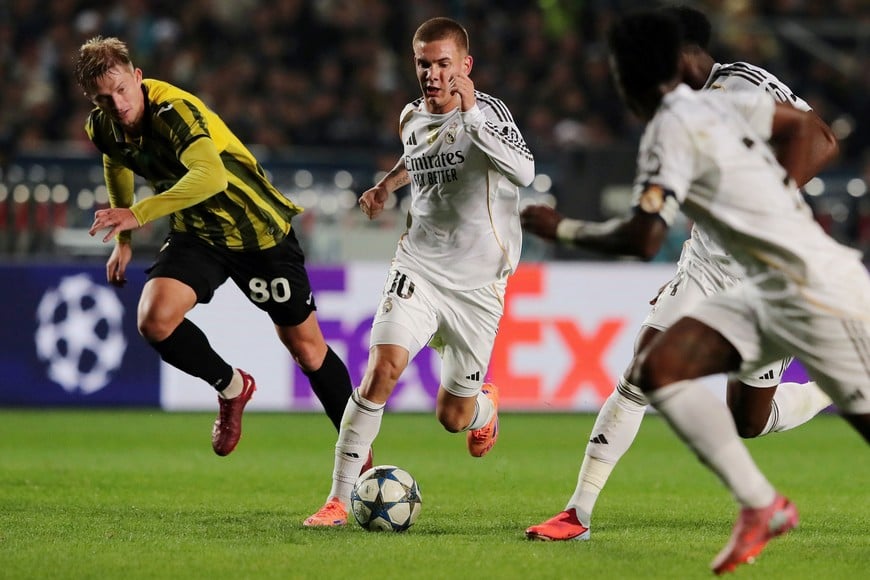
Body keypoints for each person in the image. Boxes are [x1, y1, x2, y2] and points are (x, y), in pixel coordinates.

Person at [528, 9, 870, 574]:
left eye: (625, 75)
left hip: (795, 277)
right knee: (649, 371)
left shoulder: (732, 89)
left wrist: (563, 228)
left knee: (750, 421)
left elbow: (820, 136)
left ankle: (833, 390)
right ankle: (579, 513)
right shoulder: (683, 113)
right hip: (713, 270)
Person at [75, 36, 369, 465]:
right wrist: (123, 239)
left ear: (137, 77)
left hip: (257, 231)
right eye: (104, 98)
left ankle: (363, 462)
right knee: (154, 319)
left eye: (122, 89)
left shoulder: (176, 112)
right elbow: (115, 160)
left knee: (306, 349)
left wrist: (139, 214)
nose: (117, 104)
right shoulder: (102, 125)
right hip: (198, 233)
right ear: (92, 100)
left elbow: (210, 176)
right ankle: (232, 386)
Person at [303, 16, 535, 527]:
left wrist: (472, 115)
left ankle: (484, 410)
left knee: (453, 417)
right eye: (423, 64)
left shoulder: (490, 114)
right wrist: (388, 185)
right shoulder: (410, 115)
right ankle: (338, 498)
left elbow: (524, 171)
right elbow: (420, 154)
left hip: (478, 286)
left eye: (443, 64)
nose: (432, 75)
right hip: (419, 267)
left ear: (465, 66)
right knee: (381, 370)